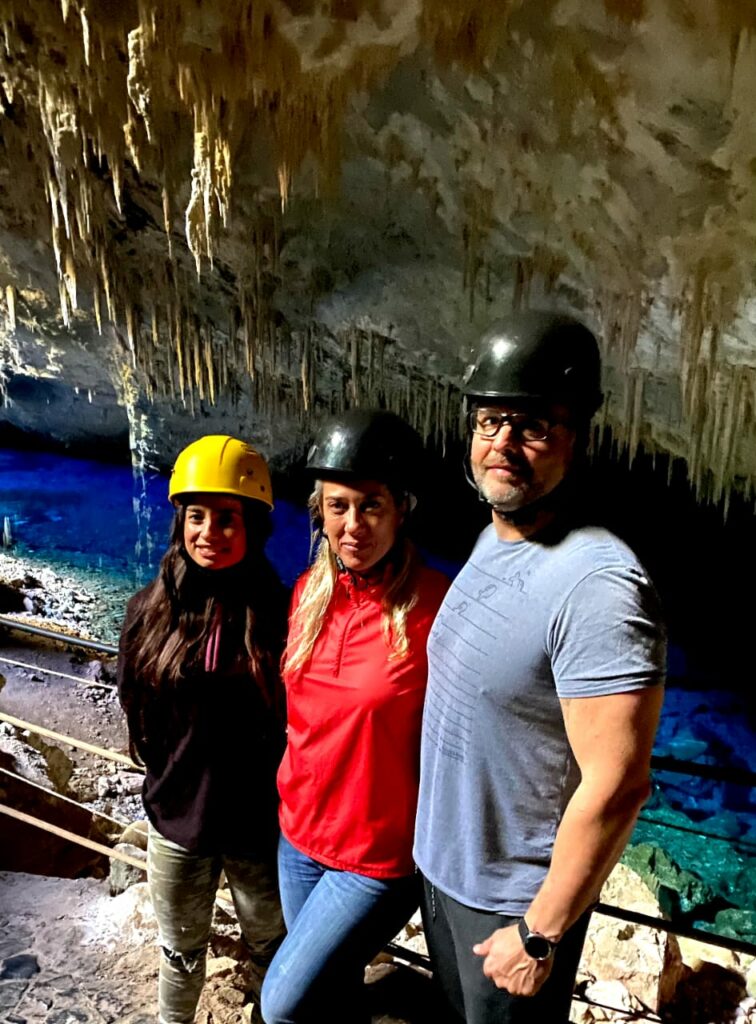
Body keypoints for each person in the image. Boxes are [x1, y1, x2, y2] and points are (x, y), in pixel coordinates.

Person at [413, 311, 666, 1024]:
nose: (505, 445)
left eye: (534, 427)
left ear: (575, 439)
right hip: (444, 874)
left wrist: (539, 932)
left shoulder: (600, 586)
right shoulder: (494, 538)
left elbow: (619, 784)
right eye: (491, 421)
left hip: (512, 904)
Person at [260, 409, 450, 1024]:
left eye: (370, 506)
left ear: (401, 509)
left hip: (373, 858)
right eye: (337, 507)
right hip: (298, 836)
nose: (353, 525)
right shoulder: (307, 594)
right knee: (332, 996)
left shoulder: (435, 610)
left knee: (283, 1002)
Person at [117, 434, 287, 1024]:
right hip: (177, 821)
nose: (210, 532)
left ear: (252, 527)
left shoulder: (279, 619)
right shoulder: (149, 613)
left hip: (257, 827)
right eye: (197, 517)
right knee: (180, 953)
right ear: (180, 523)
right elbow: (138, 710)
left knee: (272, 950)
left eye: (227, 519)